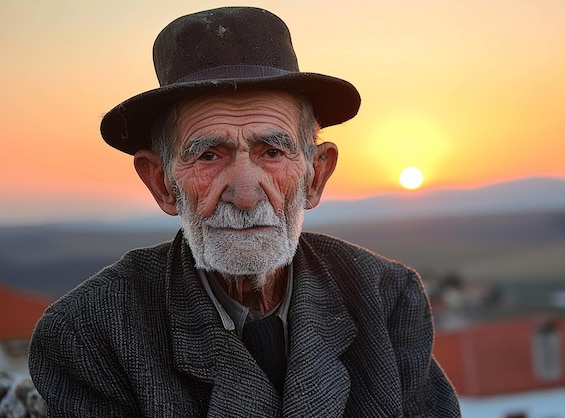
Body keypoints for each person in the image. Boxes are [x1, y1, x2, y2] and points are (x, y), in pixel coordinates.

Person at [29, 7, 460, 417]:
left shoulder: (387, 299)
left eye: (272, 152)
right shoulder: (88, 333)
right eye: (209, 156)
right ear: (161, 182)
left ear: (315, 176)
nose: (246, 194)